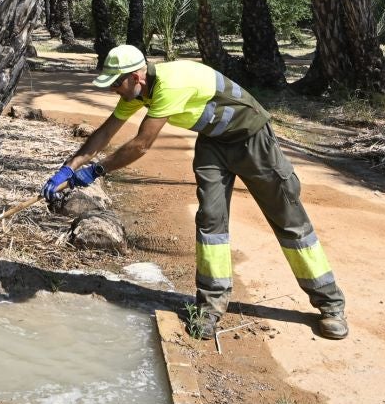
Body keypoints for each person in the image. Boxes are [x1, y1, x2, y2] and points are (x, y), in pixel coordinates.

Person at [42, 44, 348, 340]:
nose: (114, 90)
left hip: (252, 139)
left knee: (288, 219)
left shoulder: (170, 84)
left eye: (116, 83)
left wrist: (95, 171)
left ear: (136, 77)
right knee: (211, 222)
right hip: (213, 143)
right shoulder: (138, 91)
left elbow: (141, 144)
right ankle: (210, 306)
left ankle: (330, 304)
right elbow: (106, 132)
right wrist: (67, 169)